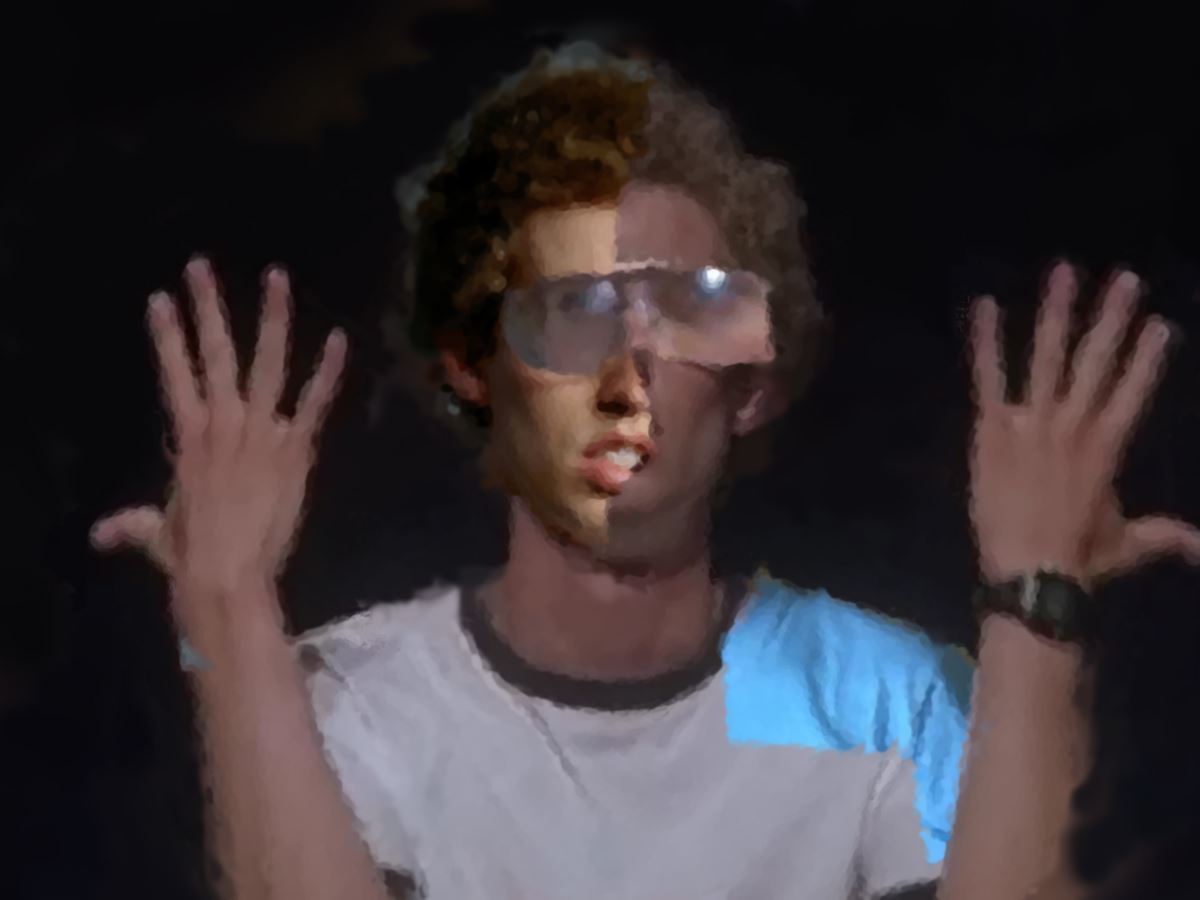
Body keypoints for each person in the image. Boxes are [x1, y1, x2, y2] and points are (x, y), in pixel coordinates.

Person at [91, 44, 1200, 900]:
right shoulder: (346, 700)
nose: (626, 371)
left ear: (753, 385)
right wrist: (228, 606)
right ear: (476, 371)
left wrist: (1038, 605)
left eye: (689, 307)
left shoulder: (887, 701)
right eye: (570, 308)